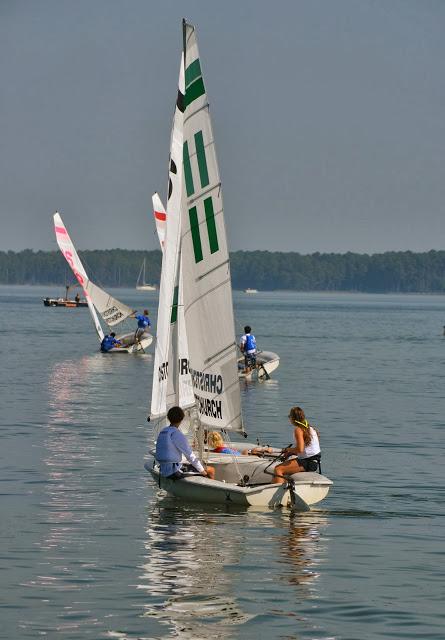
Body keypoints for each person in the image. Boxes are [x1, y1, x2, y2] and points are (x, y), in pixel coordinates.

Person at [155, 406, 215, 479]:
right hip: (174, 472)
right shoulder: (176, 434)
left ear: (168, 418)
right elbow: (190, 456)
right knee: (211, 470)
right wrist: (203, 472)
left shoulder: (164, 431)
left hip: (163, 469)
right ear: (182, 419)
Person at [272, 406, 321, 484]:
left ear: (293, 418)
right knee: (285, 469)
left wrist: (288, 450)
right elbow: (308, 449)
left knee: (278, 469)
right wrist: (291, 453)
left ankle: (278, 493)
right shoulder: (310, 428)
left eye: (289, 416)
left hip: (308, 462)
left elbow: (300, 449)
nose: (289, 418)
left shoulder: (298, 429)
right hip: (314, 461)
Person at [207, 431, 273, 457]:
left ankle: (265, 449)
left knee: (250, 451)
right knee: (250, 451)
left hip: (242, 457)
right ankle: (265, 449)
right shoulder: (222, 449)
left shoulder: (218, 450)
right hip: (242, 457)